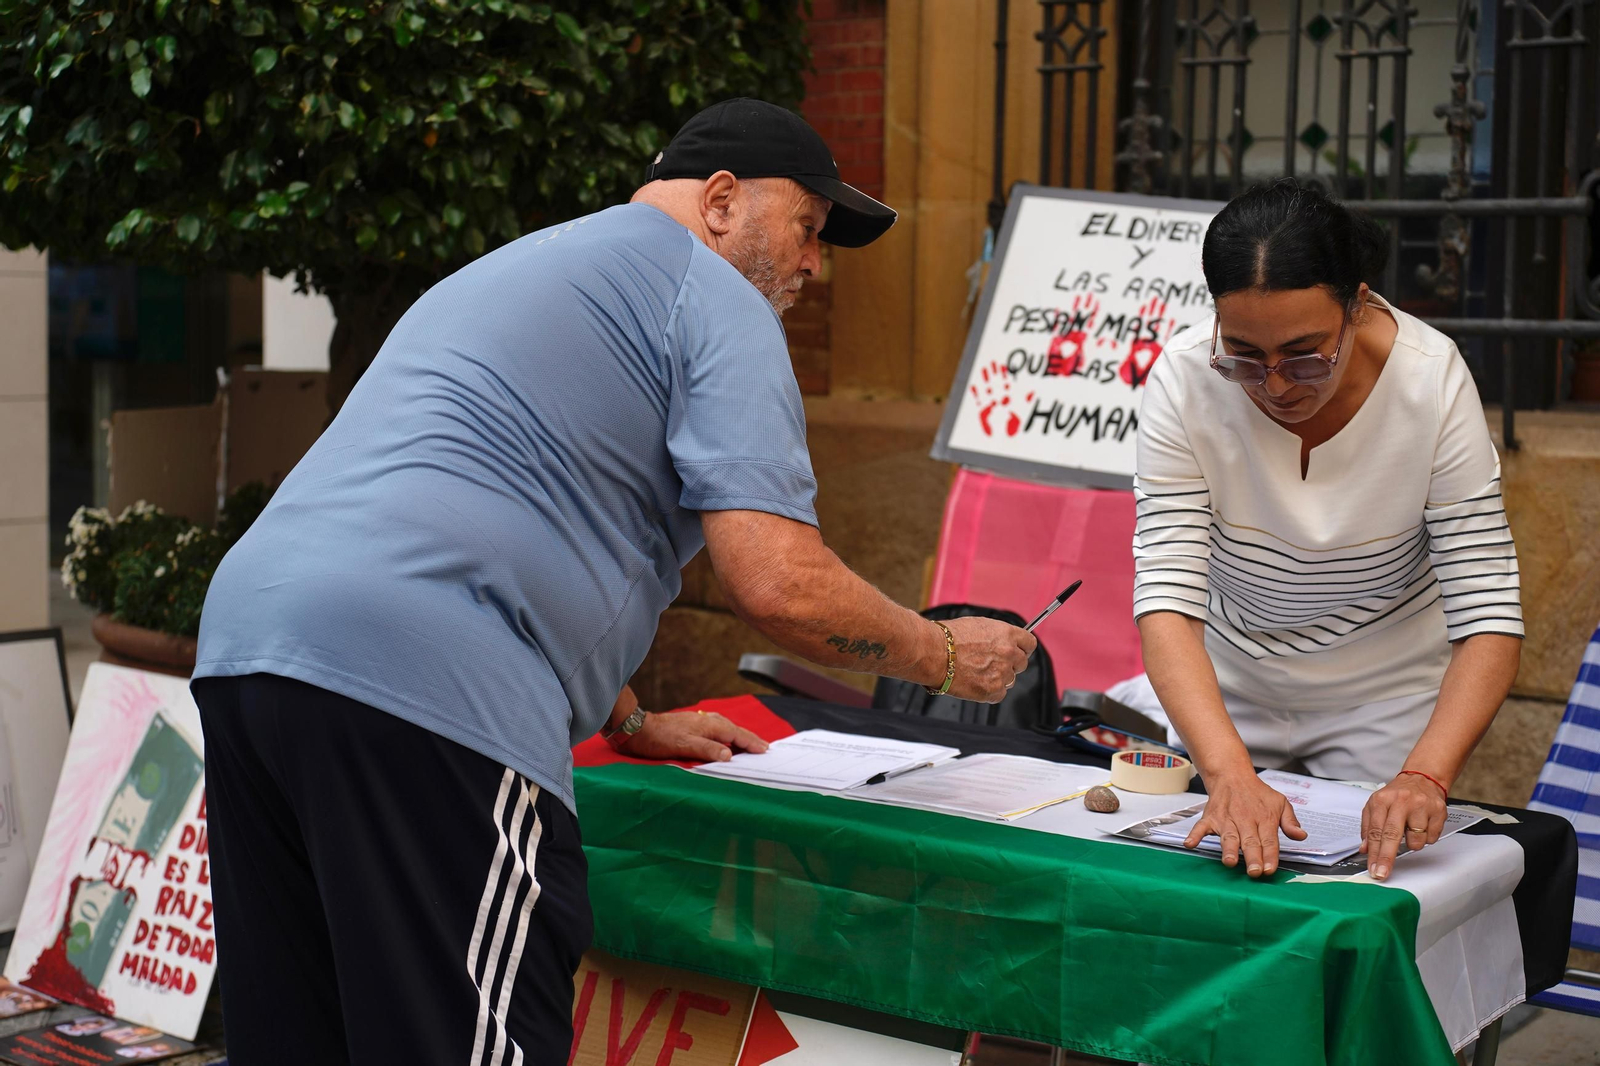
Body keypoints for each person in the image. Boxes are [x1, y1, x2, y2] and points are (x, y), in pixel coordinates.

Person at [189, 97, 1037, 1065]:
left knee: (303, 1034)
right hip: (429, 687)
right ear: (721, 201)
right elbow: (778, 583)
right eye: (808, 228)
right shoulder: (717, 299)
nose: (813, 264)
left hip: (253, 651)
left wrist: (627, 717)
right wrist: (941, 650)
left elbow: (494, 503)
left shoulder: (527, 264)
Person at [1127, 179, 1522, 883]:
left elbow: (1487, 611)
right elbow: (1167, 599)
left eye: (1307, 354)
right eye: (1244, 355)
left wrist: (1425, 776)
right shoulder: (1185, 380)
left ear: (1358, 303)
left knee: (1369, 892)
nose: (1276, 385)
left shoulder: (1430, 380)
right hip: (1228, 685)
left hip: (1385, 695)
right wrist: (1227, 772)